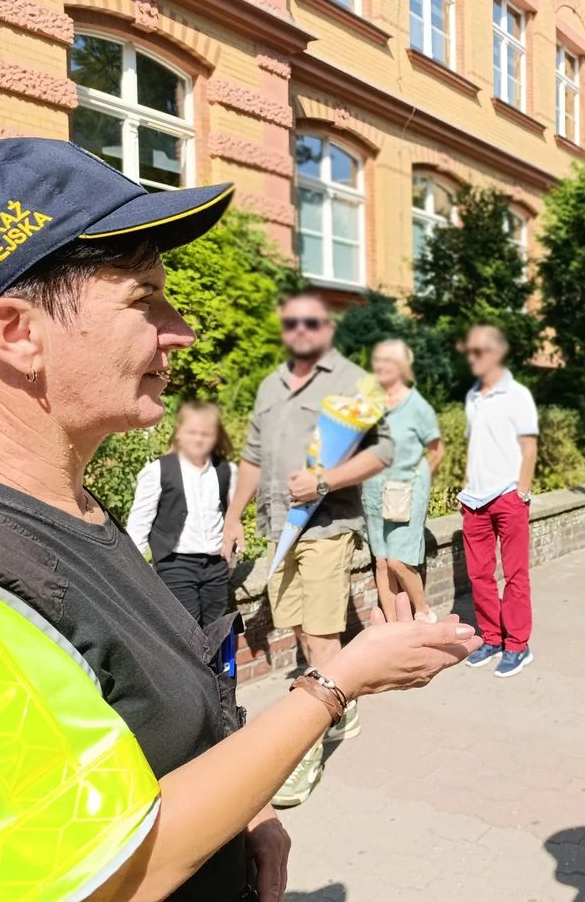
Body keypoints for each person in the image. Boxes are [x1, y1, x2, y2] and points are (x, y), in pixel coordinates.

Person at [0, 137, 480, 902]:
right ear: (16, 333)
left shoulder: (66, 504)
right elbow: (113, 876)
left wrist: (250, 813)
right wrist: (335, 685)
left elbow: (161, 725)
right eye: (144, 299)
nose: (182, 330)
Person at [222, 292, 394, 806]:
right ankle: (344, 698)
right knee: (297, 623)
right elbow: (253, 456)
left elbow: (384, 452)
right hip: (278, 529)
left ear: (328, 327)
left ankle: (307, 751)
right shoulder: (270, 384)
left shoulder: (354, 382)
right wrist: (234, 515)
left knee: (320, 637)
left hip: (326, 530)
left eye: (312, 321)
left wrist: (325, 481)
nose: (301, 329)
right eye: (292, 321)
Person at [458, 324, 539, 678]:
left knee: (515, 575)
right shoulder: (472, 397)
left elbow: (529, 447)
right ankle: (491, 638)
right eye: (470, 351)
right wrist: (465, 486)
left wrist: (521, 493)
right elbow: (474, 446)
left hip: (507, 496)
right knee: (479, 575)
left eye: (478, 351)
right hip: (474, 500)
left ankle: (518, 645)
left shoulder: (518, 395)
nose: (472, 357)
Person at [127, 401, 238, 628]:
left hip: (216, 565)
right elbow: (139, 524)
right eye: (192, 432)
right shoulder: (158, 471)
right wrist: (133, 571)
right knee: (186, 631)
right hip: (175, 565)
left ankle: (214, 655)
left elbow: (230, 518)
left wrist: (232, 558)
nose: (198, 439)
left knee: (217, 629)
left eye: (206, 434)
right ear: (179, 432)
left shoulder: (226, 471)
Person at [361, 338, 444, 623]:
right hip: (373, 492)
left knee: (398, 561)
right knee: (382, 562)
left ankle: (423, 613)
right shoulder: (371, 405)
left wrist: (417, 483)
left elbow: (437, 451)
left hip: (405, 493)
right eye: (378, 360)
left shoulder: (417, 407)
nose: (380, 366)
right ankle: (393, 627)